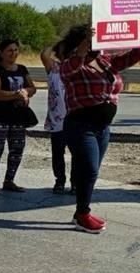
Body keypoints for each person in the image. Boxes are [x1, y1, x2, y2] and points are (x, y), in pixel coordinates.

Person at [55, 24, 140, 233]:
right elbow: (67, 73)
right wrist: (82, 48)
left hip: (102, 127)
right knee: (90, 169)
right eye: (90, 40)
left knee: (90, 172)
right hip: (80, 125)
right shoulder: (71, 64)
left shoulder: (105, 61)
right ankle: (83, 213)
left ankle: (80, 212)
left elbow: (131, 57)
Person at [0, 38, 37, 195]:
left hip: (18, 117)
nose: (13, 53)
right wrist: (17, 94)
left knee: (17, 150)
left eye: (16, 50)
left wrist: (26, 93)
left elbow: (32, 88)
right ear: (1, 52)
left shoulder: (22, 69)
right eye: (9, 50)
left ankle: (9, 180)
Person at [42, 45, 71, 195]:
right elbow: (44, 55)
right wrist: (59, 43)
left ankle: (76, 183)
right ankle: (60, 180)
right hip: (57, 119)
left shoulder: (79, 67)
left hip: (75, 118)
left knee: (78, 154)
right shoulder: (54, 68)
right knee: (58, 153)